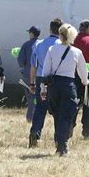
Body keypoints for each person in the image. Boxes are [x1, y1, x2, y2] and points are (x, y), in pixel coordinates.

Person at [42, 23, 89, 156]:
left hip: (53, 85)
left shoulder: (51, 49)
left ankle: (59, 142)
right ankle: (63, 144)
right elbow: (82, 72)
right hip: (68, 85)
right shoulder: (76, 52)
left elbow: (45, 71)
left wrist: (43, 88)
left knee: (57, 114)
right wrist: (86, 82)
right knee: (66, 115)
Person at [28, 18, 62, 148]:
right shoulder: (62, 45)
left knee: (40, 109)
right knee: (58, 110)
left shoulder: (39, 44)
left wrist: (32, 83)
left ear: (49, 29)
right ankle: (58, 138)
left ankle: (35, 133)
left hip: (41, 78)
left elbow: (33, 66)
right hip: (57, 80)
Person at [17, 26, 41, 123]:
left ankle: (30, 118)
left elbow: (21, 60)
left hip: (27, 75)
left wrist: (23, 69)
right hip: (40, 75)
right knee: (39, 97)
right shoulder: (42, 44)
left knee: (31, 98)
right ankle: (37, 117)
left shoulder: (26, 45)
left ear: (31, 34)